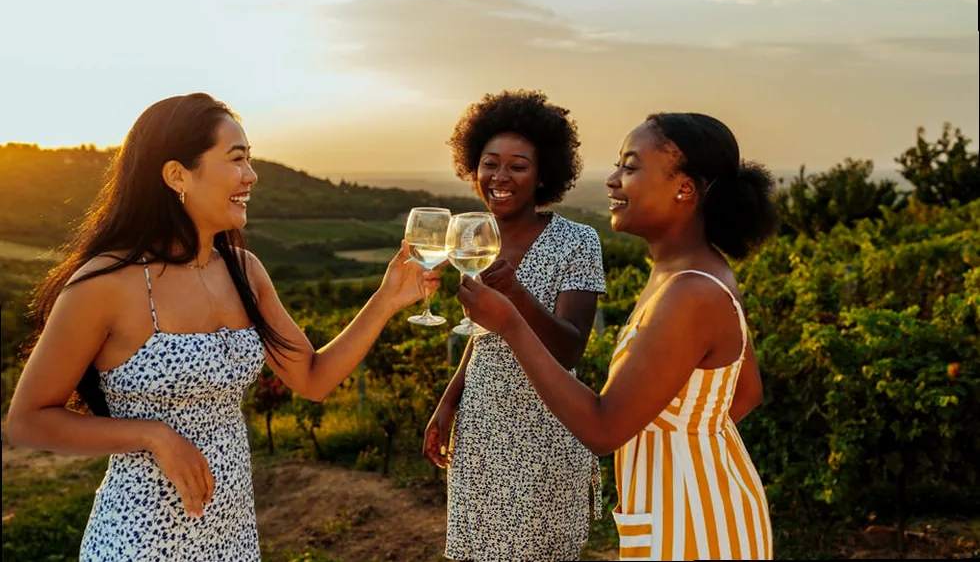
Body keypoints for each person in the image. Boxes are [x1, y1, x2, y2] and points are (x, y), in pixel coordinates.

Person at [5, 92, 440, 561]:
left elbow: (312, 378)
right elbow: (28, 421)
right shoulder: (105, 283)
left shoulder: (244, 271)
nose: (251, 175)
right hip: (139, 538)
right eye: (237, 159)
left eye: (250, 159)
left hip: (230, 533)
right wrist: (152, 435)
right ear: (177, 176)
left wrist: (386, 300)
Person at [458, 112, 778, 561]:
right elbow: (745, 393)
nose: (611, 181)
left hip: (692, 524)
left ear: (684, 188)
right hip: (686, 508)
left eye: (629, 167)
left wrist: (511, 324)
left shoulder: (690, 291)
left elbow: (602, 428)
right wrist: (685, 438)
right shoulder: (688, 271)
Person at [423, 89, 607, 561]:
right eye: (490, 163)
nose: (500, 177)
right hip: (482, 426)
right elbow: (481, 335)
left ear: (543, 174)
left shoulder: (577, 241)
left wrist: (517, 295)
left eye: (518, 166)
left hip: (545, 429)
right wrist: (449, 402)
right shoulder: (475, 236)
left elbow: (570, 351)